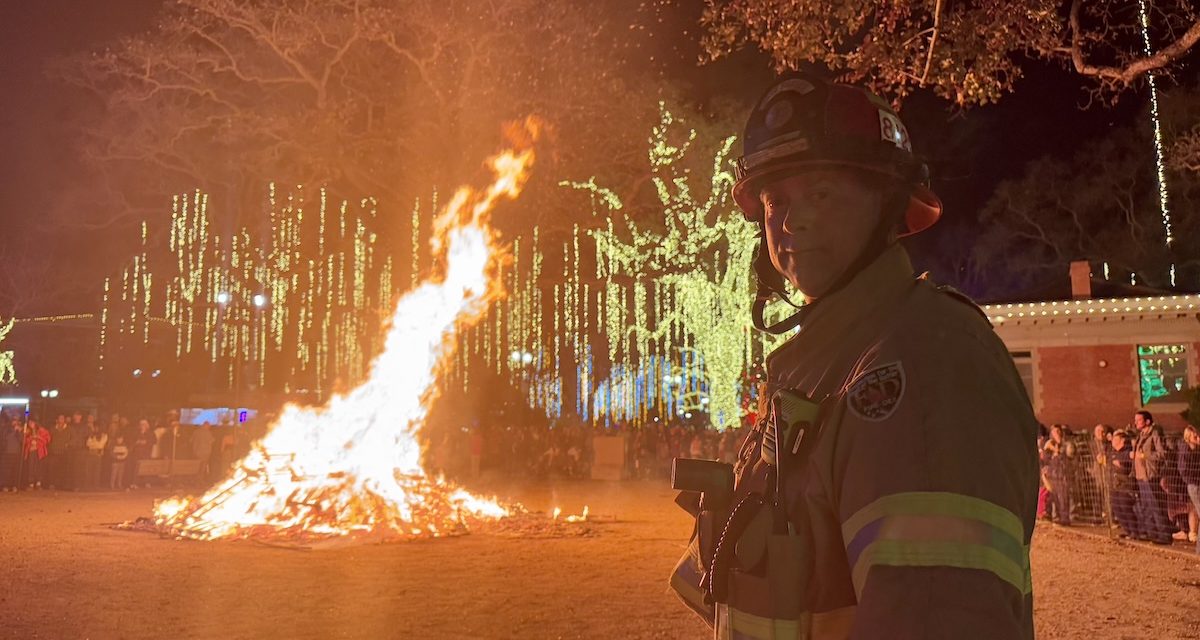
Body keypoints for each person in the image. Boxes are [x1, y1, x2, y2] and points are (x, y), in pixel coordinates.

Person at [669, 72, 1038, 639]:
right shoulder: (822, 366)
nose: (791, 221)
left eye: (820, 192)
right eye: (776, 200)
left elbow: (938, 617)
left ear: (888, 205)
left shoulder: (925, 361)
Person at [1132, 410, 1172, 544]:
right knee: (1146, 506)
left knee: (1156, 506)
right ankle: (1151, 533)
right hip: (1140, 475)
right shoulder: (1140, 435)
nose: (1136, 423)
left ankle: (1164, 534)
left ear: (1147, 421)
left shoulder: (1154, 434)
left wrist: (1145, 456)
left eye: (1139, 420)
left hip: (1150, 475)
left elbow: (1162, 453)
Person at [1109, 430, 1140, 539]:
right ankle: (1127, 530)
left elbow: (1127, 468)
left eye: (1115, 439)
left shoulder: (1127, 452)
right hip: (1114, 485)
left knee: (1125, 507)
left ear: (1122, 440)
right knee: (1117, 508)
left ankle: (1134, 531)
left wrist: (1120, 465)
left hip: (1125, 486)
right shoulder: (1113, 452)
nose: (1112, 441)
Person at [1042, 425, 1072, 525]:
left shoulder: (1066, 444)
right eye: (1054, 432)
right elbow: (1046, 459)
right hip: (1052, 474)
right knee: (1053, 497)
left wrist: (1056, 450)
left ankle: (1065, 518)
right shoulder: (1049, 444)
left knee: (1063, 497)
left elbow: (1069, 456)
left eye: (1058, 431)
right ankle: (1055, 515)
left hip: (1062, 475)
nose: (1056, 434)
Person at [1179, 425, 1200, 552]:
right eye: (1195, 436)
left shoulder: (1196, 450)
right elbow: (1184, 470)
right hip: (1194, 484)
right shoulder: (1186, 451)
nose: (1197, 438)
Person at [46, 415, 74, 490]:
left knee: (63, 469)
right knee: (53, 469)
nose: (61, 420)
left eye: (62, 419)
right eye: (59, 418)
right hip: (54, 452)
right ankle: (52, 484)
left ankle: (62, 484)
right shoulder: (52, 429)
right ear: (57, 420)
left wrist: (68, 444)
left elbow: (74, 438)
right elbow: (48, 439)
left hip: (64, 453)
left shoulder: (70, 429)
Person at [23, 419, 51, 490]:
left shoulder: (42, 430)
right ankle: (31, 483)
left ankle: (39, 483)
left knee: (39, 467)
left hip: (40, 452)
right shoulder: (27, 431)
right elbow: (24, 440)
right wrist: (30, 440)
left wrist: (38, 439)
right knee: (31, 467)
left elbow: (47, 439)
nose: (30, 424)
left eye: (32, 422)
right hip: (31, 451)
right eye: (29, 422)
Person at [84, 422, 108, 490]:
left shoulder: (104, 435)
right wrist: (95, 445)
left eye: (98, 427)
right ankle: (88, 485)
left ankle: (95, 485)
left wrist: (94, 444)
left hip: (98, 454)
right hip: (91, 454)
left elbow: (101, 444)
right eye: (95, 427)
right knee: (89, 470)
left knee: (97, 471)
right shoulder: (91, 435)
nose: (96, 429)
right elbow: (88, 444)